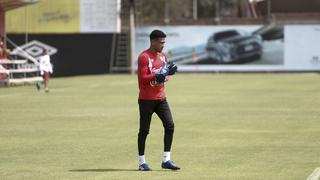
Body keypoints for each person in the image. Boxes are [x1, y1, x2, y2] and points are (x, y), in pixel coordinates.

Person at [137, 29, 179, 171]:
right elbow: (143, 78)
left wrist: (168, 73)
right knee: (144, 131)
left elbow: (164, 76)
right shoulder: (144, 56)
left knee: (170, 125)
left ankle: (166, 160)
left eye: (164, 42)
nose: (163, 45)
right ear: (153, 41)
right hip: (146, 100)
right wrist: (157, 76)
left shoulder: (163, 57)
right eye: (161, 42)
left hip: (161, 99)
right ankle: (142, 162)